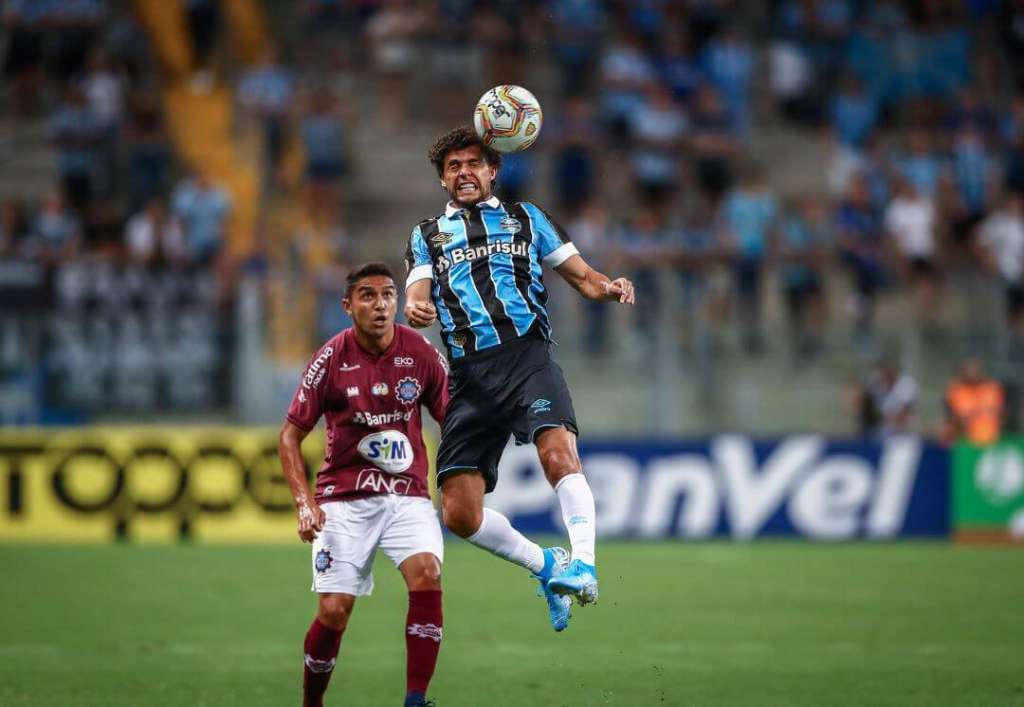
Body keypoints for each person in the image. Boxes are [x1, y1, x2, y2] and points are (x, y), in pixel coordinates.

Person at [403, 126, 635, 632]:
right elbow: (417, 289)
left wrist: (609, 286)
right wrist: (416, 305)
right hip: (467, 377)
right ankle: (547, 565)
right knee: (459, 514)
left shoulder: (527, 219)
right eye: (453, 167)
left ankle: (585, 565)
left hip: (526, 359)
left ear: (492, 170)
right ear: (444, 180)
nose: (463, 172)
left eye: (472, 164)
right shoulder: (426, 235)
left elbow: (583, 277)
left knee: (558, 453)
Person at [279, 263, 449, 707]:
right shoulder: (330, 358)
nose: (380, 305)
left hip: (407, 495)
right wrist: (303, 503)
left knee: (427, 574)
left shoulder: (422, 353)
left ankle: (416, 700)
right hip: (343, 498)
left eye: (389, 295)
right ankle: (311, 703)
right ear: (348, 306)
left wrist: (458, 480)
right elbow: (290, 435)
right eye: (368, 296)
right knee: (334, 611)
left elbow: (454, 421)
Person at [942, 358, 1004, 446]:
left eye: (975, 369)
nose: (972, 372)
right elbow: (951, 418)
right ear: (963, 371)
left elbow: (1001, 413)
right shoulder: (956, 390)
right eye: (969, 369)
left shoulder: (992, 389)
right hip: (965, 443)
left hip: (992, 441)